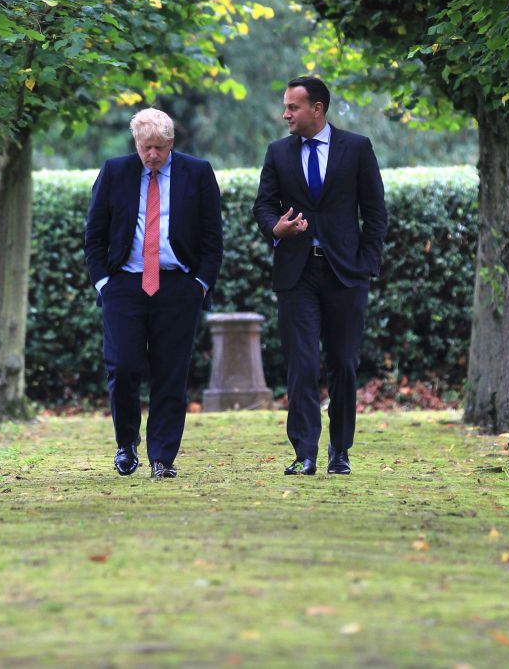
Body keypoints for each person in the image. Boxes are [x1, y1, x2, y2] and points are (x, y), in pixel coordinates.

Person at [252, 76, 388, 475]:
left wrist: (367, 264)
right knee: (302, 364)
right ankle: (305, 453)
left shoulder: (357, 148)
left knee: (343, 363)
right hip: (296, 274)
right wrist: (275, 229)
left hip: (346, 274)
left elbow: (375, 213)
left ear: (317, 108)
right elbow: (263, 206)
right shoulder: (278, 152)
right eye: (285, 106)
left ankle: (339, 450)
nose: (285, 114)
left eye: (293, 107)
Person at [85, 108, 223, 479]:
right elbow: (94, 234)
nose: (153, 156)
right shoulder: (115, 172)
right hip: (125, 286)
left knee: (171, 373)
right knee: (125, 366)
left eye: (160, 148)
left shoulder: (197, 172)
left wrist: (200, 285)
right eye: (147, 148)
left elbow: (213, 239)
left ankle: (162, 457)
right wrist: (103, 283)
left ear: (171, 143)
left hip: (178, 286)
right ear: (136, 144)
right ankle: (126, 443)